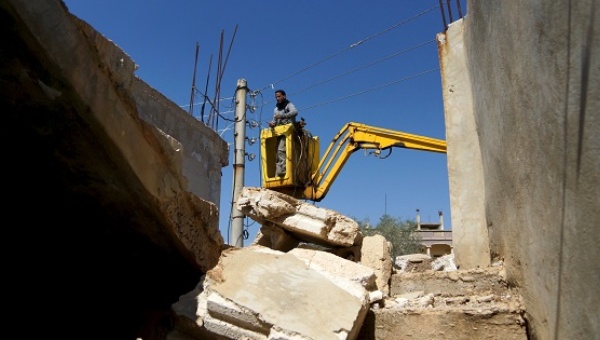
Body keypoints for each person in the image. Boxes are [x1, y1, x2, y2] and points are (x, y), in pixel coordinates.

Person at [268, 89, 298, 177]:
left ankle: (283, 171)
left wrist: (283, 116)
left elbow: (295, 112)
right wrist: (272, 124)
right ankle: (279, 173)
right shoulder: (276, 109)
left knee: (281, 150)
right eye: (276, 97)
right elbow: (274, 120)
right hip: (280, 133)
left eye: (279, 96)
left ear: (284, 96)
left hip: (289, 132)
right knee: (277, 152)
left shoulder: (289, 105)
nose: (277, 98)